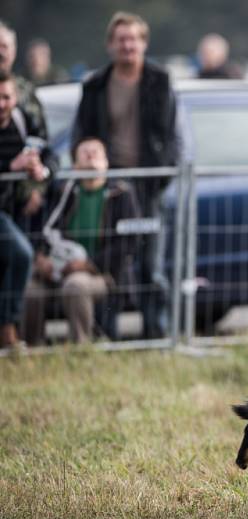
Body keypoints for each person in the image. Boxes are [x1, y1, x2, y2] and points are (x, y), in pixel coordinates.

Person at [72, 11, 178, 339]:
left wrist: (161, 178)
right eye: (121, 40)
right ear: (110, 45)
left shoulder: (160, 81)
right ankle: (108, 337)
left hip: (149, 186)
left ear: (144, 43)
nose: (127, 45)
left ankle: (156, 336)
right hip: (109, 190)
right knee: (110, 264)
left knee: (151, 266)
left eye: (133, 39)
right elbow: (82, 134)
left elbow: (171, 135)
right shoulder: (95, 86)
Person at [23, 138, 140, 344]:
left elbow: (128, 243)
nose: (91, 155)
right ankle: (32, 349)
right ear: (75, 165)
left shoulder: (121, 194)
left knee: (75, 286)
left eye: (96, 152)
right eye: (85, 152)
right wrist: (41, 258)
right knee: (30, 290)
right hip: (58, 268)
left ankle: (81, 348)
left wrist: (88, 265)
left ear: (106, 163)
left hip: (100, 273)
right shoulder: (63, 193)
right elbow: (43, 230)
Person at [0, 70, 55, 351]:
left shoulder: (23, 122)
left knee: (16, 258)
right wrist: (10, 168)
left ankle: (9, 328)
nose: (1, 104)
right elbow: (12, 165)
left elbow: (49, 159)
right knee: (21, 253)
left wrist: (38, 174)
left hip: (11, 211)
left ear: (15, 97)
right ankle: (7, 328)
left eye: (6, 97)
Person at [0, 21, 48, 137]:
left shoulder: (25, 90)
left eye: (5, 47)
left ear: (14, 51)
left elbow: (40, 136)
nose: (1, 53)